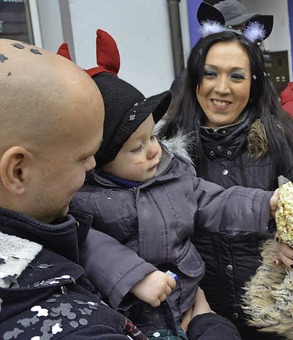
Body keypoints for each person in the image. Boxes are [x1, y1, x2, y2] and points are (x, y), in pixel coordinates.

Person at [0, 39, 239, 339]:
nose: (92, 168)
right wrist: (211, 325)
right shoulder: (79, 326)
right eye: (83, 156)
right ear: (18, 170)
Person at [69, 31, 278, 338]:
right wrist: (136, 277)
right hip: (134, 317)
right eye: (136, 148)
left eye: (152, 136)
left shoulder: (173, 173)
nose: (154, 149)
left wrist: (264, 203)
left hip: (189, 301)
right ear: (101, 158)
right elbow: (90, 246)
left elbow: (214, 201)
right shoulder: (86, 198)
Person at [159, 30, 293, 340]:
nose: (222, 88)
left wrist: (289, 243)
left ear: (254, 82)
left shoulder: (279, 137)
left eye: (236, 76)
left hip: (275, 318)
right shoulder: (166, 148)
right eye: (210, 74)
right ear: (195, 80)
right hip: (201, 318)